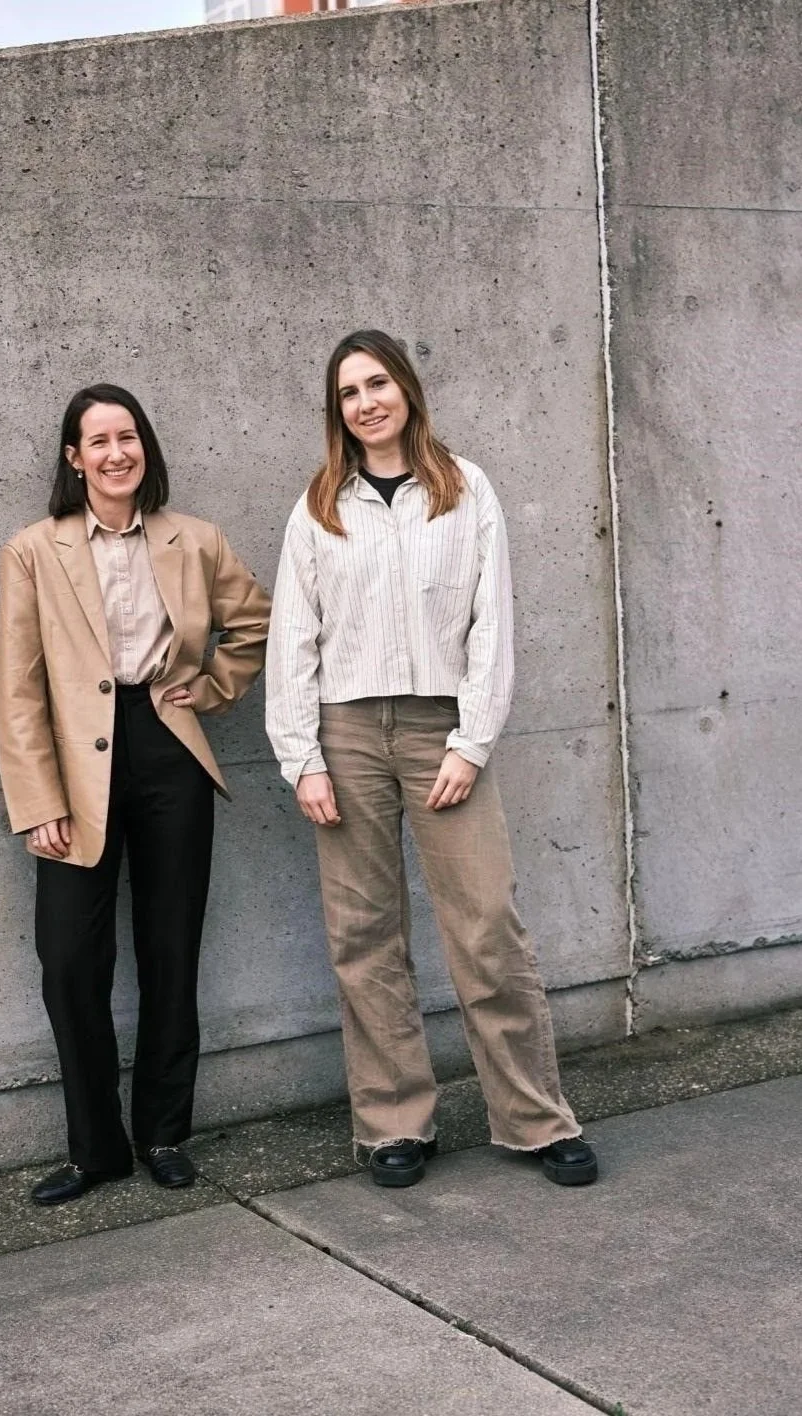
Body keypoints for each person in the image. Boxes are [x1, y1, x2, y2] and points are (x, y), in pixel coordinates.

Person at [266, 330, 597, 1190]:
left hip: (441, 730)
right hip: (345, 733)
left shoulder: (466, 488)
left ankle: (535, 1118)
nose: (365, 403)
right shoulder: (319, 505)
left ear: (407, 389)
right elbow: (292, 638)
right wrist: (302, 757)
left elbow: (494, 624)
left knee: (486, 925)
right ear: (336, 410)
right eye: (348, 392)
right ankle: (394, 1125)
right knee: (365, 935)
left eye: (377, 384)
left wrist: (471, 740)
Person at [0, 383, 271, 1205]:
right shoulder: (34, 550)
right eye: (99, 442)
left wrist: (211, 687)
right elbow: (17, 688)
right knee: (69, 962)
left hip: (166, 748)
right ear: (74, 459)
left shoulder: (195, 539)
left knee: (170, 949)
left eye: (129, 437)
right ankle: (96, 1150)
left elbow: (256, 623)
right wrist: (38, 800)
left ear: (144, 446)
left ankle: (162, 1132)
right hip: (73, 764)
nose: (117, 453)